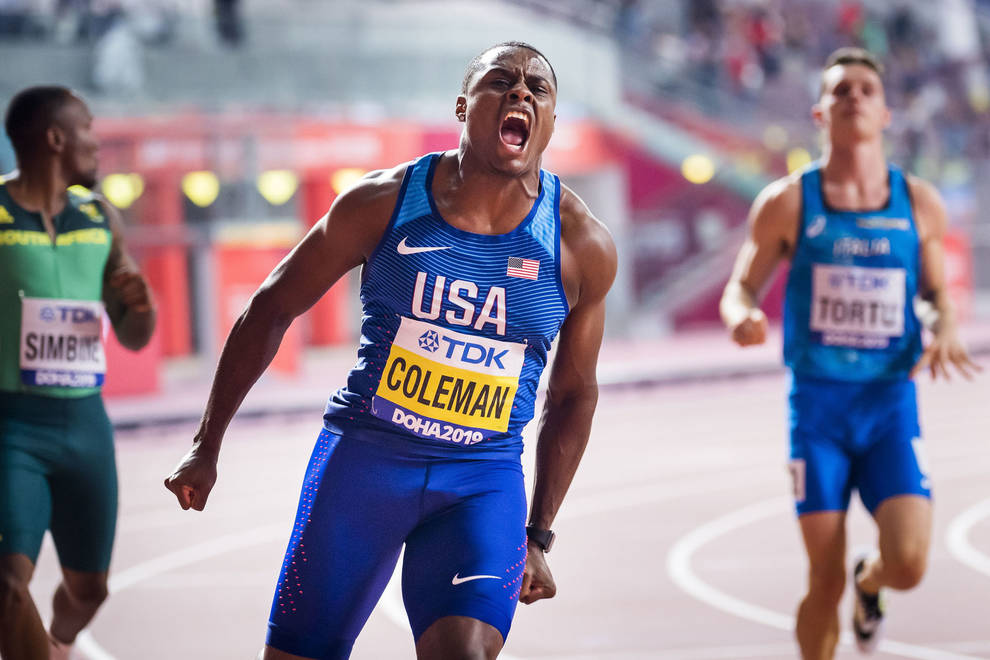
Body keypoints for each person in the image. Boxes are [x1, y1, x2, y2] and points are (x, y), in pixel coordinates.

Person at [164, 41, 616, 660]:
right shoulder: (382, 203)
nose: (520, 93)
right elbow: (271, 309)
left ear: (551, 124)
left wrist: (537, 532)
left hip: (481, 480)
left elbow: (573, 394)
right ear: (463, 106)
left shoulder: (580, 244)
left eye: (537, 89)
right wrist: (205, 444)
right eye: (501, 82)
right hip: (366, 463)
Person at [721, 48, 980, 659]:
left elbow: (939, 293)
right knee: (822, 576)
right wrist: (742, 318)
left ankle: (875, 581)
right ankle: (843, 595)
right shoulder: (788, 201)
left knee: (910, 564)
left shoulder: (918, 205)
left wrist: (945, 325)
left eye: (866, 89)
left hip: (890, 404)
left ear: (887, 112)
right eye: (841, 91)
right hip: (818, 411)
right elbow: (741, 286)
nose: (855, 98)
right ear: (820, 112)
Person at [0, 86, 156, 660]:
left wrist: (140, 304)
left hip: (86, 425)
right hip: (12, 423)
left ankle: (58, 643)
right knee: (8, 586)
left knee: (90, 591)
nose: (97, 140)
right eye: (88, 127)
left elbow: (136, 336)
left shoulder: (98, 217)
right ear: (56, 138)